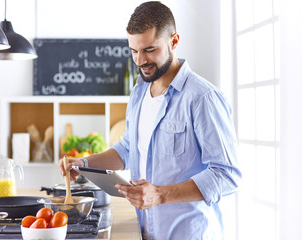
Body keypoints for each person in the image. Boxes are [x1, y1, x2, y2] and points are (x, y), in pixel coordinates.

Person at [59, 1, 241, 239]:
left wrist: (160, 194)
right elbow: (128, 149)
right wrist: (85, 163)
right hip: (145, 230)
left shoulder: (202, 98)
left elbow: (227, 175)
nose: (139, 61)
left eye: (149, 50)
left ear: (173, 41)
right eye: (134, 51)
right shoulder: (139, 92)